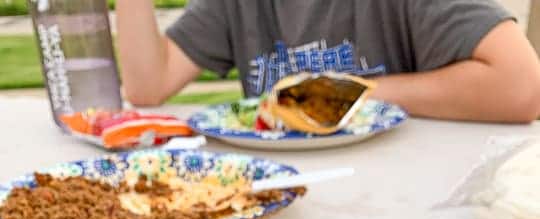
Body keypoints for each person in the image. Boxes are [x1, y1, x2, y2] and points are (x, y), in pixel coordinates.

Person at [117, 0, 540, 123]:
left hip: (396, 200)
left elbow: (523, 87)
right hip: (276, 212)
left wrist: (345, 93)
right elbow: (148, 86)